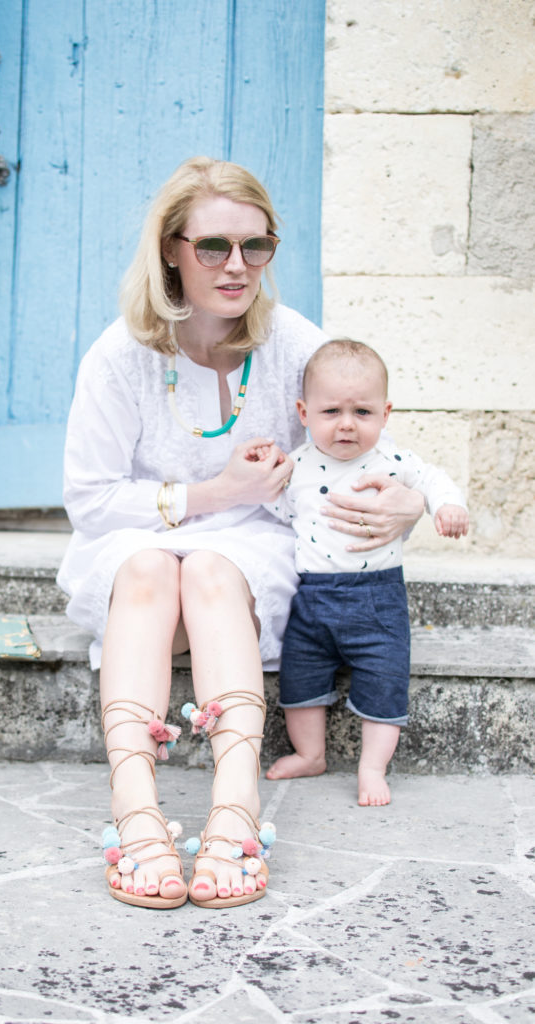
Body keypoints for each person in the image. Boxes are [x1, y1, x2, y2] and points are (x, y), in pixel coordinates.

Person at [57, 157, 425, 910]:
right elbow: (90, 500)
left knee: (212, 571)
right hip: (137, 546)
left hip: (251, 550)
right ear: (170, 248)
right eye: (214, 247)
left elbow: (355, 438)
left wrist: (408, 503)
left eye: (256, 247)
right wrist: (212, 491)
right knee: (158, 569)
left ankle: (235, 806)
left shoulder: (290, 341)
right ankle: (135, 811)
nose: (237, 266)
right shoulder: (121, 354)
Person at [257, 339, 469, 805]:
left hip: (379, 599)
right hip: (312, 600)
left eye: (363, 412)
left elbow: (433, 478)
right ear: (304, 412)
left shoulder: (392, 462)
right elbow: (274, 507)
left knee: (385, 679)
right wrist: (262, 474)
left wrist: (447, 504)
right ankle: (310, 754)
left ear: (385, 413)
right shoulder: (296, 464)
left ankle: (373, 768)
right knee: (300, 681)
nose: (347, 424)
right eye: (331, 411)